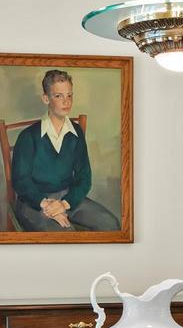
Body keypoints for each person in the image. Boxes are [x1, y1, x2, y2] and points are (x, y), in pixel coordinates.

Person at [9, 69, 119, 231]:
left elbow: (84, 176)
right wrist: (47, 206)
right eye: (58, 96)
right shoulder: (28, 136)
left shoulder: (76, 133)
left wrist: (63, 204)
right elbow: (21, 181)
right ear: (46, 98)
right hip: (33, 203)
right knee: (65, 234)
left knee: (110, 224)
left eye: (69, 95)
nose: (66, 101)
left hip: (67, 198)